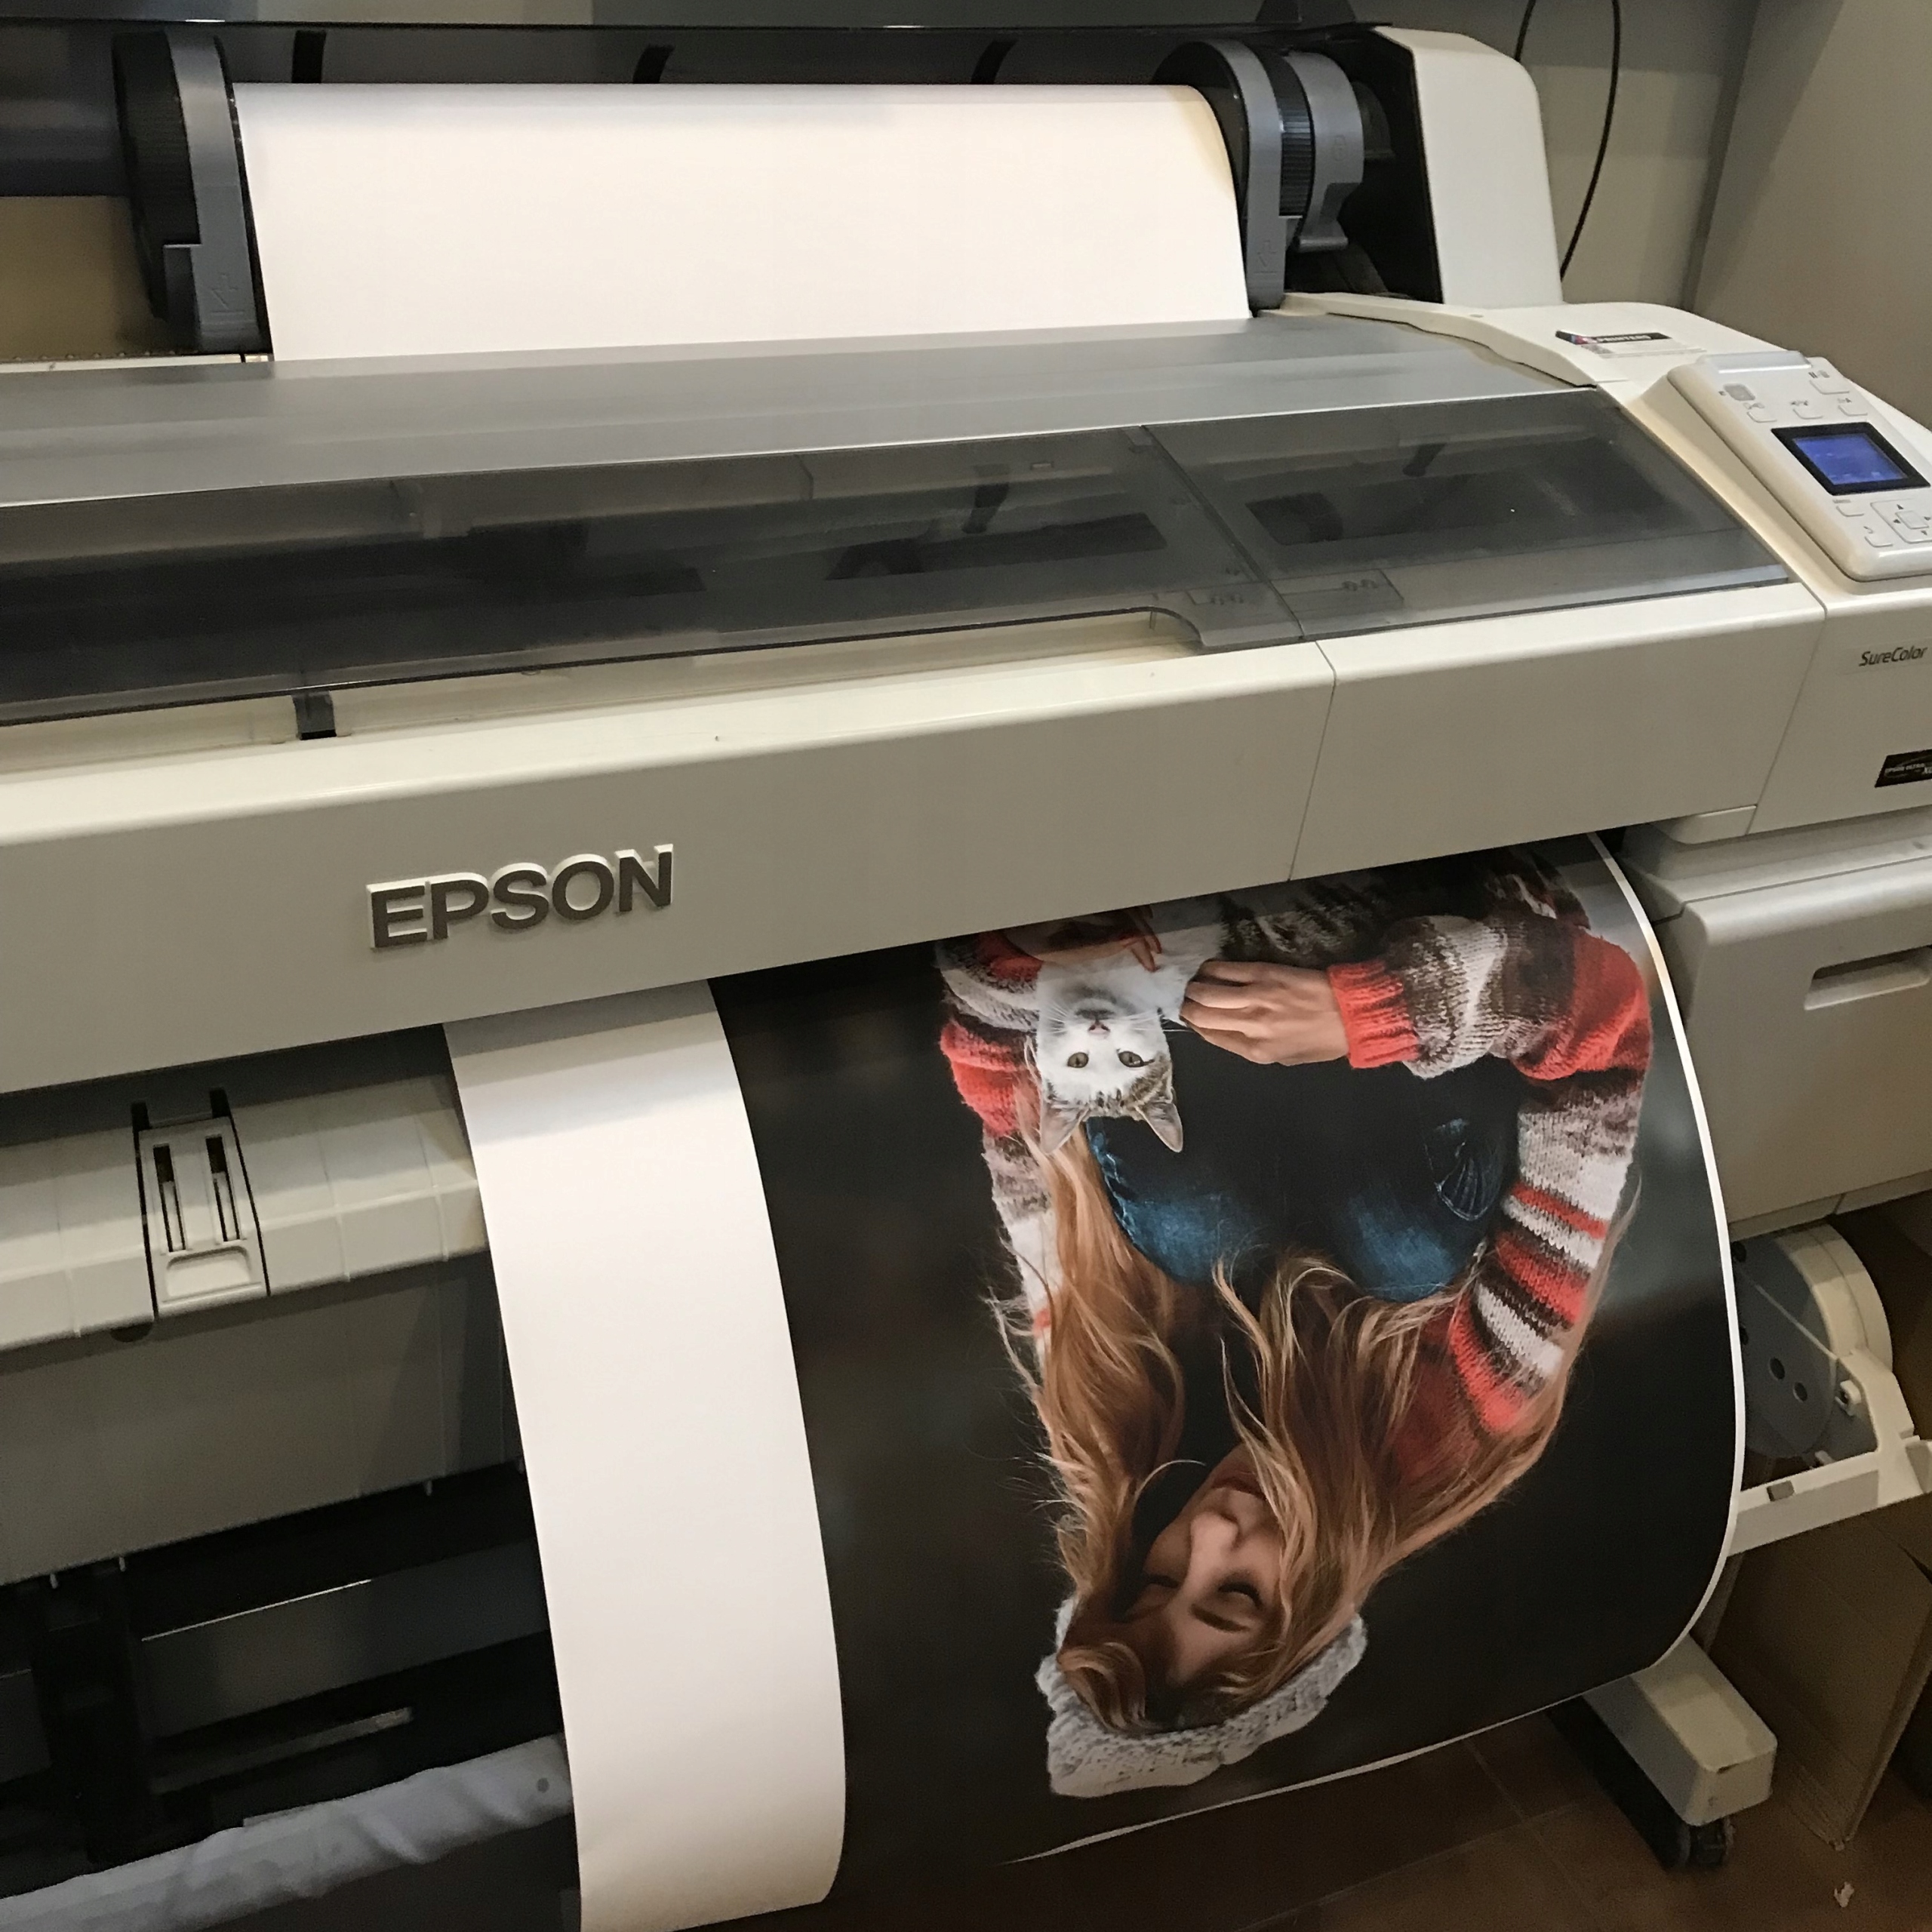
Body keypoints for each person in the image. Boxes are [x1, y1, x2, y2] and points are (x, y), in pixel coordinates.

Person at [935, 852, 1652, 1789]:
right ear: (1316, 1602)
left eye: (1161, 1578)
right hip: (1421, 899)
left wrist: (1027, 963)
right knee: (1403, 1250)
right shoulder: (1467, 1409)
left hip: (1161, 907)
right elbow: (1606, 1021)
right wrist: (1369, 1010)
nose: (1213, 1531)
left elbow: (1002, 1091)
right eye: (1237, 1592)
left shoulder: (1106, 1398)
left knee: (1191, 1231)